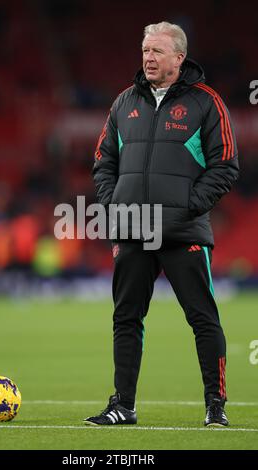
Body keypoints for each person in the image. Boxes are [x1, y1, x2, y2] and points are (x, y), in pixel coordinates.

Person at [84, 21, 239, 427]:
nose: (148, 58)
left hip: (182, 231)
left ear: (179, 58)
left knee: (203, 319)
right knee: (126, 318)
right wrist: (115, 206)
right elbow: (103, 162)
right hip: (133, 229)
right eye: (145, 51)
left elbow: (225, 165)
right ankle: (123, 405)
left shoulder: (207, 103)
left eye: (157, 51)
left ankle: (215, 406)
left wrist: (188, 205)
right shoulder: (123, 103)